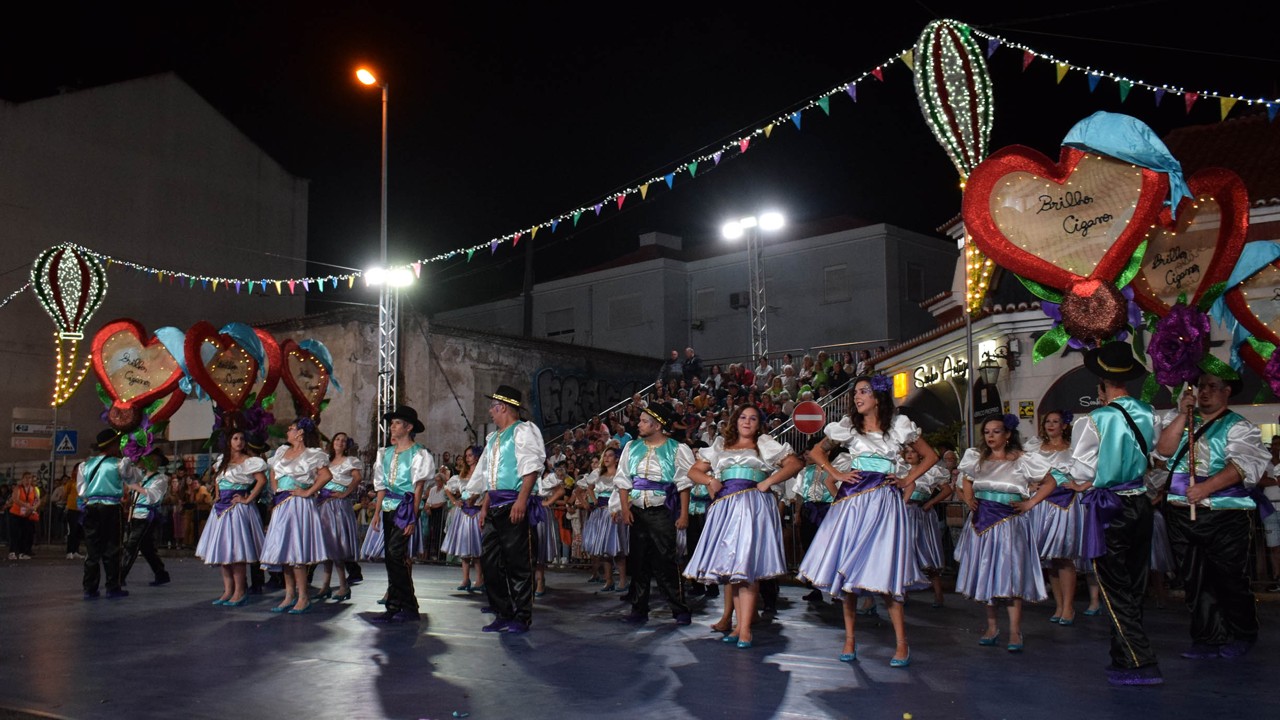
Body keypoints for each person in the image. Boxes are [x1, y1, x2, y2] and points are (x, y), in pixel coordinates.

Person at [798, 375, 935, 666]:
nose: (857, 397)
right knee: (847, 571)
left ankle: (901, 643)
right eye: (855, 392)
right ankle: (849, 639)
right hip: (852, 502)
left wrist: (906, 479)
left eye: (863, 391)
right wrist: (836, 474)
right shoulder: (848, 427)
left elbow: (930, 456)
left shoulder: (898, 426)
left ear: (878, 397)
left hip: (884, 503)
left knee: (885, 570)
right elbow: (816, 451)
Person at [1050, 341, 1159, 685]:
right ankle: (1124, 656)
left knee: (1114, 585)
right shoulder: (1148, 412)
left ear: (1101, 385)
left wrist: (1077, 481)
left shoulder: (1095, 419)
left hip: (1110, 505)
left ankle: (1139, 660)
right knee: (1134, 582)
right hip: (1141, 503)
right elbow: (1159, 459)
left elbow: (1080, 469)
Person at [1155, 369, 1270, 660]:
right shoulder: (1181, 421)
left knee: (1229, 577)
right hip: (1181, 512)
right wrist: (1183, 414)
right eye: (1200, 387)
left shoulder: (1238, 426)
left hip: (1224, 514)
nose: (1204, 392)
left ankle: (1241, 632)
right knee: (1194, 579)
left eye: (1212, 387)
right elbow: (1165, 451)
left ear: (1227, 391)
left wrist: (1206, 488)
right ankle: (1207, 637)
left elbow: (1244, 466)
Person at [686, 404, 802, 647]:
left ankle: (746, 629)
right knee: (734, 570)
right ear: (735, 421)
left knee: (746, 566)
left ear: (758, 423)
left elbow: (794, 464)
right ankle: (739, 626)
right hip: (726, 508)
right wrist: (710, 480)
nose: (747, 422)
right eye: (742, 417)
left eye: (752, 418)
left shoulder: (764, 444)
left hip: (752, 506)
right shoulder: (720, 445)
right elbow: (694, 471)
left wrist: (768, 481)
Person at [954, 415, 1046, 655]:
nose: (991, 436)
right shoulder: (977, 460)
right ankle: (992, 627)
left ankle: (1015, 630)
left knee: (1010, 575)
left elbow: (1050, 482)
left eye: (996, 431)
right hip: (982, 524)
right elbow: (964, 479)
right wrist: (969, 498)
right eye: (987, 432)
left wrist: (1030, 504)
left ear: (1007, 435)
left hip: (1009, 526)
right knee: (988, 575)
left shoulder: (1022, 460)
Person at [466, 385, 546, 634]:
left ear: (502, 407)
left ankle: (521, 617)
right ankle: (503, 612)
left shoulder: (523, 431)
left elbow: (531, 468)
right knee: (490, 562)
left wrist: (522, 500)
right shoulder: (494, 438)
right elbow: (487, 475)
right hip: (495, 506)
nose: (490, 411)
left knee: (518, 564)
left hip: (513, 503)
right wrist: (480, 503)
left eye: (493, 407)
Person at [611, 402, 694, 626]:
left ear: (657, 425)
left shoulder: (676, 448)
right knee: (638, 562)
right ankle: (639, 608)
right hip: (637, 511)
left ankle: (679, 608)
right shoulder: (631, 448)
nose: (638, 424)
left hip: (662, 512)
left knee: (666, 560)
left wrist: (683, 514)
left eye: (644, 421)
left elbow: (684, 484)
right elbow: (622, 480)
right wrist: (625, 507)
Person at [368, 406, 436, 623]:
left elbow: (417, 490)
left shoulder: (419, 454)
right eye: (392, 423)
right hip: (388, 507)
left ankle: (408, 605)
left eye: (397, 423)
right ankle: (395, 605)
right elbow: (380, 486)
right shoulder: (385, 453)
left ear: (408, 427)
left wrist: (412, 518)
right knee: (391, 557)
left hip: (404, 510)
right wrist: (377, 512)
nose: (392, 426)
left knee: (396, 554)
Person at [260, 418, 332, 615]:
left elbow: (326, 476)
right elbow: (273, 472)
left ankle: (303, 597)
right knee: (284, 551)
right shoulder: (282, 452)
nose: (288, 432)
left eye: (291, 429)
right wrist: (276, 489)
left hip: (299, 505)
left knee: (296, 552)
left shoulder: (312, 454)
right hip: (283, 504)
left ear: (300, 433)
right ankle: (289, 595)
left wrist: (308, 492)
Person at [1022, 410, 1081, 624]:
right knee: (1050, 559)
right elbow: (1024, 472)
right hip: (1043, 504)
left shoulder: (1073, 449)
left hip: (1066, 504)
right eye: (1048, 421)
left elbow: (1088, 471)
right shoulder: (1035, 449)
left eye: (1055, 421)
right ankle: (1058, 605)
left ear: (1064, 425)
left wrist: (1078, 485)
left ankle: (1068, 607)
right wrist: (1030, 484)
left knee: (1064, 555)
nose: (1051, 424)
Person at [196, 429, 267, 606]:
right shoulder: (222, 460)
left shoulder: (250, 461)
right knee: (223, 552)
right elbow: (217, 480)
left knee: (236, 552)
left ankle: (240, 591)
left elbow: (262, 480)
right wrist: (217, 495)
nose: (239, 441)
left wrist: (248, 498)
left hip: (237, 509)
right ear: (229, 441)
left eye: (242, 438)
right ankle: (228, 590)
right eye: (235, 438)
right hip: (220, 510)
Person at [77, 429, 134, 599]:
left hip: (92, 507)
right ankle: (112, 587)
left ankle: (90, 588)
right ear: (113, 445)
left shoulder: (85, 465)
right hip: (111, 508)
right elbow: (130, 478)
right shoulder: (119, 463)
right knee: (113, 548)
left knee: (92, 549)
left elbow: (81, 490)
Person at [314, 431, 362, 602]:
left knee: (336, 546)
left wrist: (345, 494)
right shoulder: (326, 461)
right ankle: (326, 585)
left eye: (343, 440)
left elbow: (357, 478)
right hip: (324, 505)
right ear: (332, 442)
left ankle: (343, 585)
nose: (340, 442)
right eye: (337, 439)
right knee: (327, 547)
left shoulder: (350, 461)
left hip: (338, 507)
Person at [787, 436, 836, 604]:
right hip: (809, 511)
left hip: (828, 511)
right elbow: (799, 494)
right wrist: (798, 514)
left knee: (830, 549)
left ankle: (836, 589)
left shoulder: (834, 469)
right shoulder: (804, 472)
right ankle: (814, 587)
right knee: (809, 548)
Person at [903, 442, 952, 608]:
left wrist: (931, 502)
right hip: (903, 514)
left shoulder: (931, 471)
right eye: (907, 452)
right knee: (903, 552)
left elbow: (947, 490)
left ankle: (938, 595)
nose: (910, 455)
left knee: (927, 553)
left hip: (921, 513)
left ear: (920, 455)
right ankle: (903, 592)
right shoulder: (899, 470)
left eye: (913, 452)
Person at [121, 447, 172, 588]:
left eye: (155, 460)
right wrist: (129, 456)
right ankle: (161, 573)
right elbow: (124, 473)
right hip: (136, 514)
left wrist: (135, 487)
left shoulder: (161, 479)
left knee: (131, 545)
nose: (152, 461)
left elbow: (153, 496)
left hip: (146, 516)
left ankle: (120, 576)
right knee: (146, 547)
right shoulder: (140, 476)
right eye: (149, 458)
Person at [582, 446, 629, 593]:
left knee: (617, 549)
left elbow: (626, 494)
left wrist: (620, 509)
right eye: (605, 455)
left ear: (616, 459)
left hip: (615, 513)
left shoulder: (621, 475)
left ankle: (622, 581)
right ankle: (609, 581)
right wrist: (594, 500)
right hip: (600, 514)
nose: (607, 458)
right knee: (604, 551)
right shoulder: (598, 474)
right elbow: (588, 487)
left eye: (610, 455)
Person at [442, 445, 485, 593]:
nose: (467, 458)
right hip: (464, 513)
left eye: (470, 455)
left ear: (477, 457)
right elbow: (447, 488)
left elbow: (486, 491)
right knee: (465, 548)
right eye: (466, 455)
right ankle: (466, 578)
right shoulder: (461, 475)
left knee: (478, 549)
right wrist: (455, 501)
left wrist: (476, 498)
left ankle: (480, 579)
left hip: (478, 512)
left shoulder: (482, 474)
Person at [1261, 437, 1280, 592]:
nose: (1276, 447)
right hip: (1269, 507)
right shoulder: (1265, 461)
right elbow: (1260, 480)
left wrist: (1271, 479)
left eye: (1278, 444)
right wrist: (1276, 481)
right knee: (1274, 545)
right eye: (1274, 444)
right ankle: (1277, 577)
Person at [7, 472, 39, 560]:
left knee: (25, 534)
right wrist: (26, 505)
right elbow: (15, 499)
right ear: (22, 479)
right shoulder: (18, 488)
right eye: (26, 478)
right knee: (14, 534)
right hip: (15, 514)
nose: (27, 480)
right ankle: (12, 552)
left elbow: (37, 500)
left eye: (29, 478)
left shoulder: (33, 489)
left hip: (26, 514)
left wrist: (34, 507)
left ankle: (22, 552)